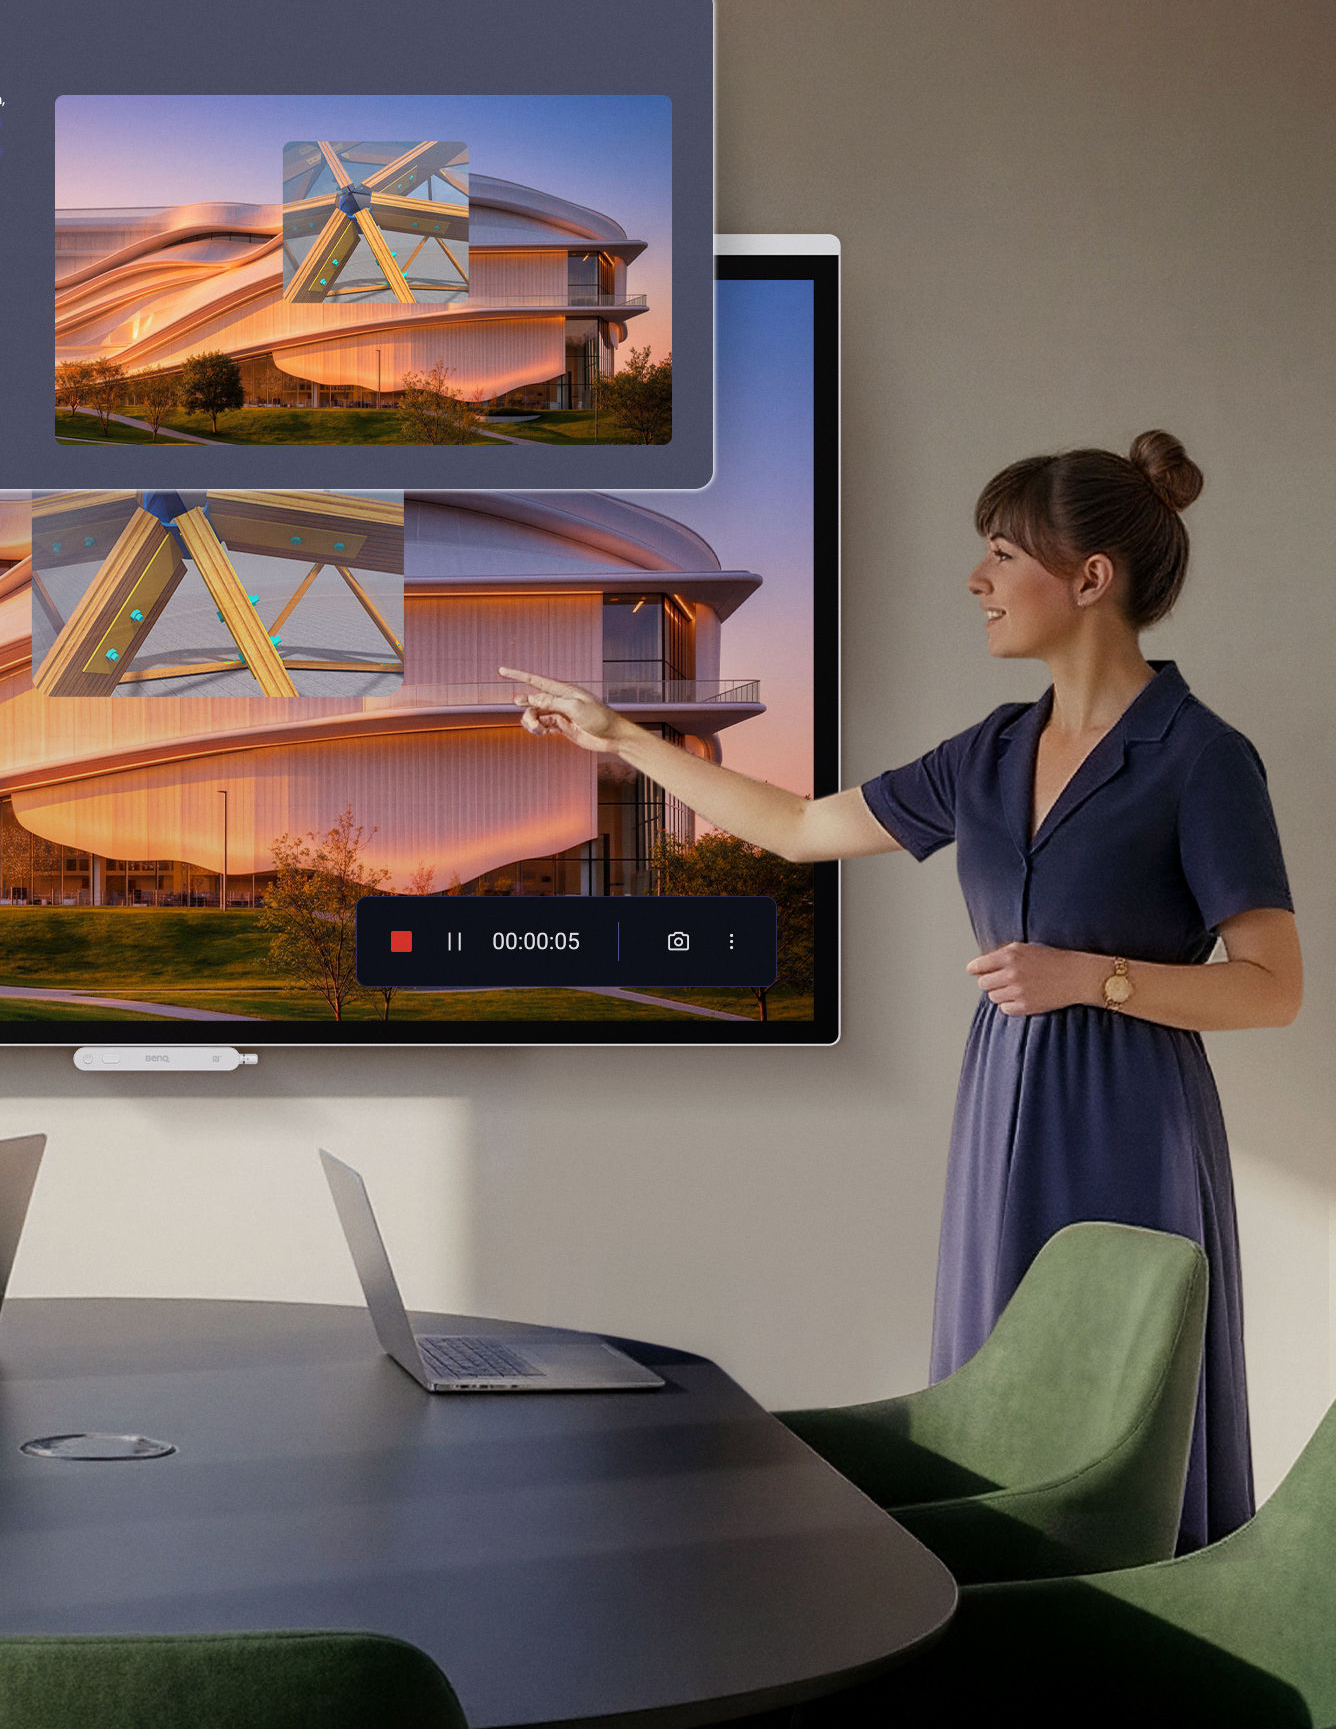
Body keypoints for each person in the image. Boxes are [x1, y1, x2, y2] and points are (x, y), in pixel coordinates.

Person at [506, 430, 1295, 1548]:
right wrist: (624, 736)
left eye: (1000, 553)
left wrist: (1092, 974)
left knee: (1123, 1392)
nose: (976, 580)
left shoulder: (1201, 756)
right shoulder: (989, 752)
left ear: (1089, 577)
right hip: (1002, 1107)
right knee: (994, 1386)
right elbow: (793, 828)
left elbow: (1272, 987)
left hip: (1132, 1118)